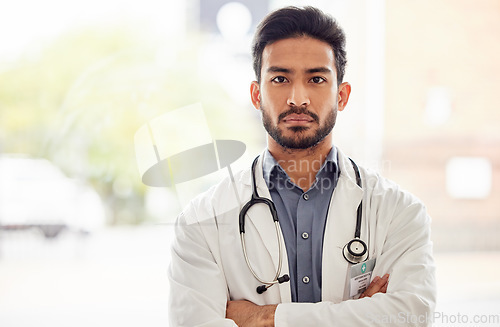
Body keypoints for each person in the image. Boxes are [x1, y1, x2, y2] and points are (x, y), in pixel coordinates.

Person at [168, 6, 436, 326]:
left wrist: (265, 318)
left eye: (316, 78)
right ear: (257, 94)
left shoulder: (399, 212)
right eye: (280, 78)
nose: (298, 98)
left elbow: (412, 317)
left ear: (342, 95)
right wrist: (358, 314)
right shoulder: (200, 222)